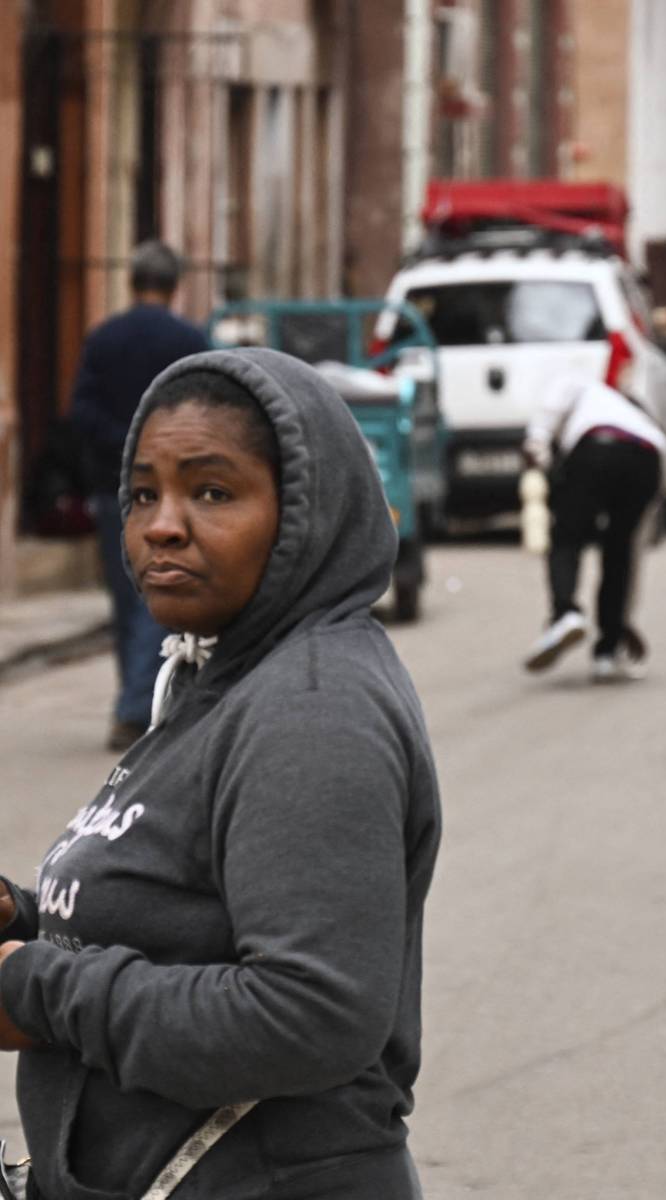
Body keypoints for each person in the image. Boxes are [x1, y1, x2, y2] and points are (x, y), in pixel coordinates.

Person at [0, 348, 442, 1198]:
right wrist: (24, 916)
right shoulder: (226, 676)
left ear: (303, 511)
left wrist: (34, 988)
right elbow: (184, 912)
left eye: (212, 492)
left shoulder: (314, 708)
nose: (163, 524)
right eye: (142, 493)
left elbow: (308, 1014)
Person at [71, 240, 209, 752]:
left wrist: (123, 447)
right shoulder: (189, 339)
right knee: (162, 589)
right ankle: (138, 708)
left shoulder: (105, 338)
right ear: (175, 287)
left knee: (128, 594)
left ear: (132, 284)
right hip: (175, 490)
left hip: (114, 485)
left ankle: (139, 701)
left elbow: (81, 410)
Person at [522, 375, 666, 682]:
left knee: (566, 536)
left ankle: (565, 614)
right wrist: (624, 620)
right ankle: (607, 650)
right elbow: (636, 555)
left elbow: (553, 398)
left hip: (596, 447)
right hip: (650, 458)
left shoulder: (586, 387)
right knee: (621, 553)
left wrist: (537, 443)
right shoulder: (639, 418)